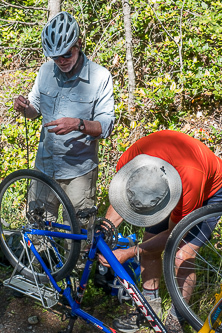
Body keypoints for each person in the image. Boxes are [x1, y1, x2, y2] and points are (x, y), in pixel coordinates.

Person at [98, 130, 222, 333]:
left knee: (182, 255)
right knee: (149, 241)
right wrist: (100, 236)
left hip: (212, 190)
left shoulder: (190, 182)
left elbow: (173, 238)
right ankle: (149, 309)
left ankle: (176, 320)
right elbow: (119, 204)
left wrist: (128, 253)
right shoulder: (131, 161)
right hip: (167, 177)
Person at [13, 11, 115, 226]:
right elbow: (35, 109)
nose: (60, 61)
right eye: (54, 56)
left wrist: (78, 124)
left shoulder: (100, 77)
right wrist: (24, 107)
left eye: (66, 54)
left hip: (79, 172)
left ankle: (75, 260)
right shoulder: (45, 71)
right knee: (38, 227)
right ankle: (42, 260)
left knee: (77, 237)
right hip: (44, 166)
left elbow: (105, 126)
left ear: (78, 44)